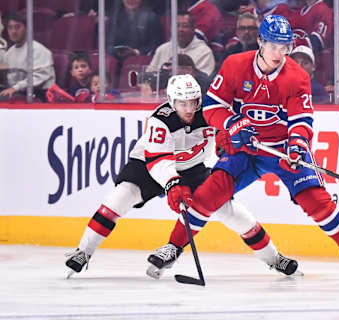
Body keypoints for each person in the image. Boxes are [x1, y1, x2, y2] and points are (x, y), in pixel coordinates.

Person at [148, 15, 339, 279]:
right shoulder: (235, 65)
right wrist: (233, 124)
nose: (279, 53)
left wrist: (297, 147)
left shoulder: (297, 77)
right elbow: (211, 107)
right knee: (208, 195)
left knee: (315, 200)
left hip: (282, 148)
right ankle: (173, 248)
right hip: (245, 149)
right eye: (274, 46)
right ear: (260, 42)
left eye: (284, 47)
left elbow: (302, 120)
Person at [65, 74, 299, 279]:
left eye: (193, 102)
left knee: (228, 210)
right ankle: (83, 252)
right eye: (182, 103)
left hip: (193, 167)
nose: (189, 109)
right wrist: (173, 185)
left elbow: (229, 130)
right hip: (147, 165)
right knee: (120, 197)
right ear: (171, 101)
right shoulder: (161, 119)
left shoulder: (209, 111)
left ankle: (274, 258)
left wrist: (228, 138)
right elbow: (159, 161)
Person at [0, 11, 55, 101]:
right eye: (10, 28)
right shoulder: (9, 53)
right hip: (17, 93)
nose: (13, 31)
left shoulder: (39, 50)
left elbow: (39, 77)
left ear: (27, 28)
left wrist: (14, 88)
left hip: (39, 96)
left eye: (17, 27)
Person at [148, 11, 215, 77]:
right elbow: (149, 75)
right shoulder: (163, 49)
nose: (180, 29)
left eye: (185, 26)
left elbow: (206, 82)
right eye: (177, 25)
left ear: (193, 29)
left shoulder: (205, 52)